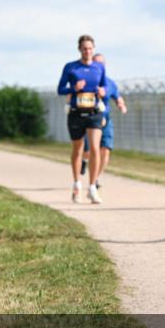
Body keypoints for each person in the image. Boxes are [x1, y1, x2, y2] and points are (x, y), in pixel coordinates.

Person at [58, 35, 108, 204]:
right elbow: (60, 89)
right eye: (85, 48)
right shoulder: (71, 67)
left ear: (93, 49)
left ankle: (92, 187)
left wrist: (103, 91)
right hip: (76, 112)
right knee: (78, 149)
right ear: (79, 49)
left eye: (90, 48)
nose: (88, 51)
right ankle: (77, 184)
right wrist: (74, 88)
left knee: (95, 148)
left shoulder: (99, 67)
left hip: (94, 112)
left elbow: (104, 86)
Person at [79, 53, 127, 187]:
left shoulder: (109, 83)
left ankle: (94, 180)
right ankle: (84, 160)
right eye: (95, 63)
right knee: (89, 151)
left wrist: (121, 105)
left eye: (101, 63)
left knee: (105, 149)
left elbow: (117, 96)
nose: (98, 66)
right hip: (90, 119)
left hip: (105, 119)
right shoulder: (85, 81)